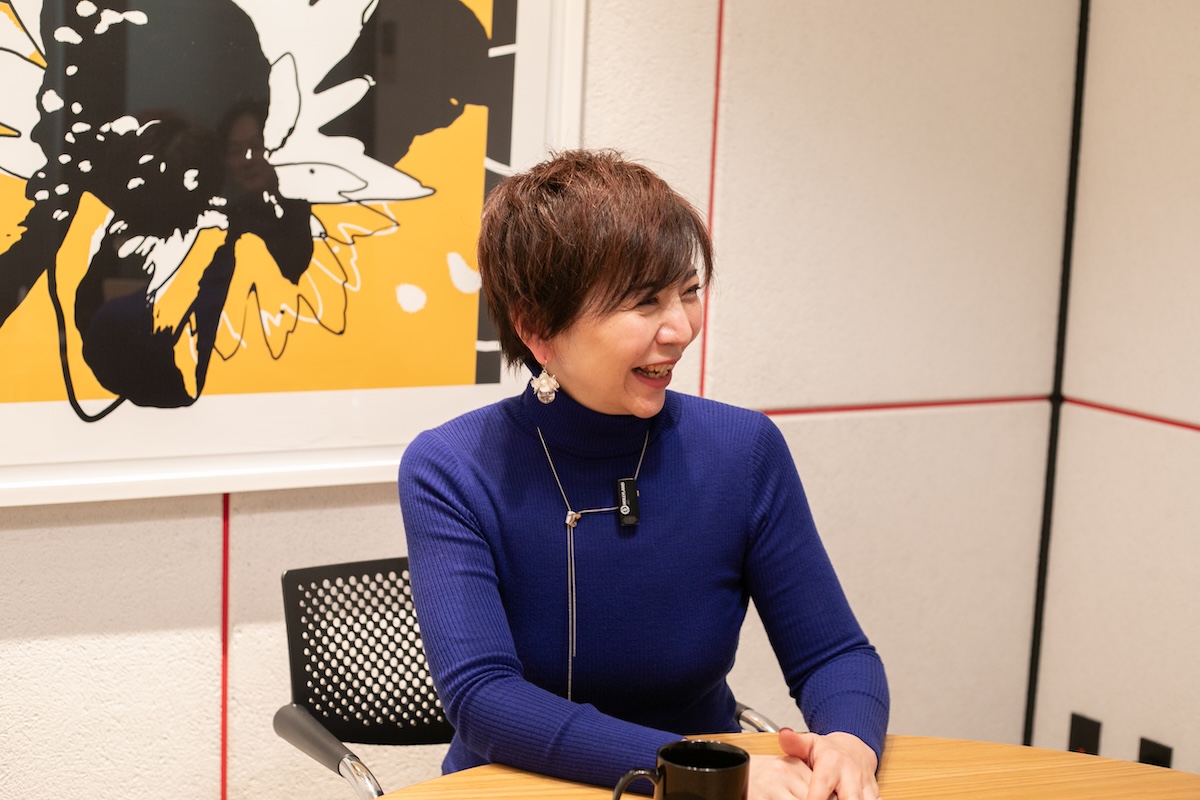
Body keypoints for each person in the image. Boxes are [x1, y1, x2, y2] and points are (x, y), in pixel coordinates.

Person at [398, 149, 889, 800]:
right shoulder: (452, 467)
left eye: (688, 291)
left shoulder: (743, 450)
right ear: (539, 329)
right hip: (521, 787)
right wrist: (695, 769)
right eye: (644, 302)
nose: (681, 328)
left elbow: (835, 655)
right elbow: (482, 698)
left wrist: (848, 745)